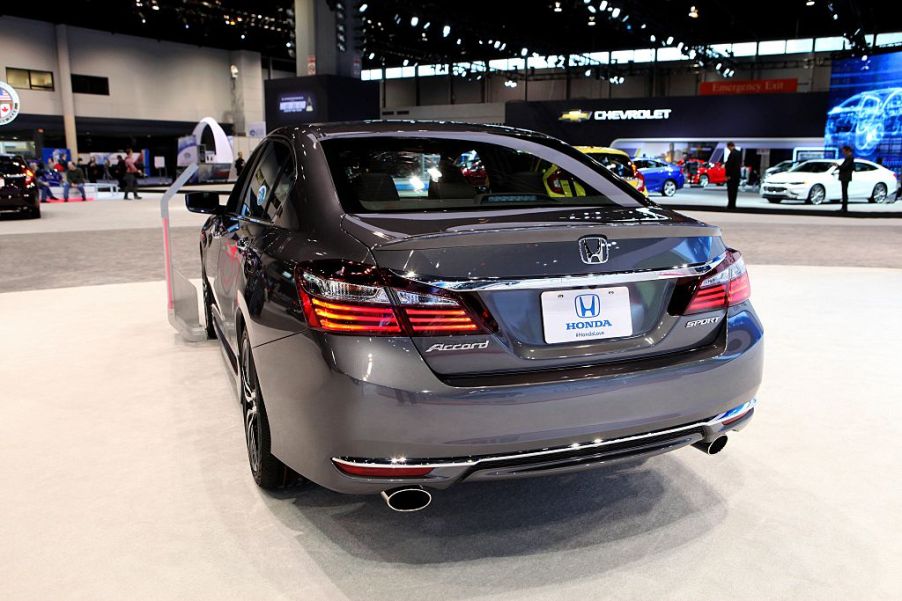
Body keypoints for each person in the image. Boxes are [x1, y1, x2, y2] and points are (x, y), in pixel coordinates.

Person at [724, 141, 741, 208]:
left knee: (730, 191)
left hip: (731, 176)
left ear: (729, 146)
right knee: (734, 191)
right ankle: (733, 204)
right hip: (736, 176)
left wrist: (728, 175)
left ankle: (730, 205)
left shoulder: (732, 154)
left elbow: (730, 166)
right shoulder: (738, 153)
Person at [838, 145, 854, 213]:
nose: (843, 152)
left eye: (843, 150)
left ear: (847, 150)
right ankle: (843, 207)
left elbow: (845, 167)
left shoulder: (850, 157)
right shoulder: (848, 157)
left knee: (844, 193)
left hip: (845, 177)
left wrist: (838, 166)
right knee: (844, 192)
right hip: (845, 177)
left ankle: (844, 208)